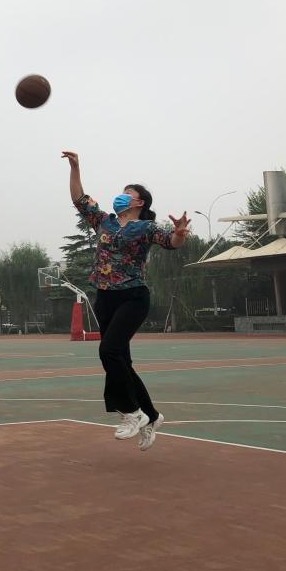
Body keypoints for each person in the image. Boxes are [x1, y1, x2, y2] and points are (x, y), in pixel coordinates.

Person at [63, 150, 189, 451]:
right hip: (105, 297)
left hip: (133, 296)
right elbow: (79, 198)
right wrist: (76, 167)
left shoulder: (146, 228)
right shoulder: (103, 222)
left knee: (109, 350)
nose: (121, 196)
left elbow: (171, 242)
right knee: (121, 361)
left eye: (128, 193)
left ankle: (132, 413)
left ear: (139, 203)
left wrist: (180, 234)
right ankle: (152, 416)